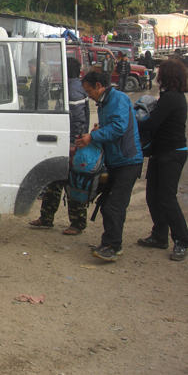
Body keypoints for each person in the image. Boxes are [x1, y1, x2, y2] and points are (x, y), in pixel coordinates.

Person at [76, 71, 144, 262]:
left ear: (99, 86)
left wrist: (93, 136)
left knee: (114, 206)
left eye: (89, 91)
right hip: (115, 162)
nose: (89, 96)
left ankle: (113, 247)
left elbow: (119, 128)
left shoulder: (118, 99)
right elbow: (112, 127)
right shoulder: (104, 103)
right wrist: (98, 130)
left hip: (128, 161)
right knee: (106, 204)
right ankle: (110, 243)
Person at [29, 58, 90, 234]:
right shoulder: (72, 86)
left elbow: (78, 121)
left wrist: (72, 144)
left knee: (72, 184)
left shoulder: (74, 90)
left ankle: (77, 223)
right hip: (64, 142)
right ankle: (46, 218)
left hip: (71, 145)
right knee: (54, 181)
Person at [136, 59, 188, 261]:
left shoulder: (172, 98)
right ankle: (159, 236)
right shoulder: (169, 96)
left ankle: (182, 241)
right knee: (152, 196)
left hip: (172, 153)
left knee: (166, 198)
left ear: (167, 76)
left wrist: (131, 123)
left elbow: (152, 123)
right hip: (161, 152)